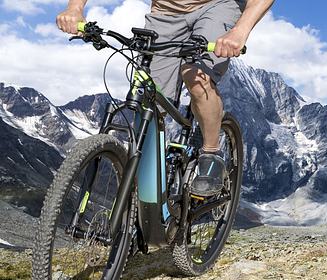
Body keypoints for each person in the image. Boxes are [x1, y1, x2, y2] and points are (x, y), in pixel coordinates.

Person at [56, 0, 273, 196]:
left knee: (196, 78)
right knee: (148, 96)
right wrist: (75, 8)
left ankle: (211, 153)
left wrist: (240, 30)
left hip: (218, 6)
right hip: (165, 13)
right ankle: (147, 204)